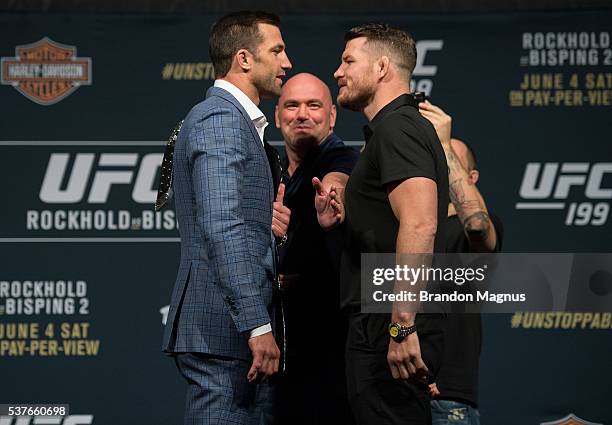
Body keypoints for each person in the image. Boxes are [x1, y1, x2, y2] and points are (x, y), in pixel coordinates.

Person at [161, 11, 292, 425]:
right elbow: (223, 226)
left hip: (231, 334)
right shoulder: (220, 120)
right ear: (244, 59)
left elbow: (232, 220)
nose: (287, 62)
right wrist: (257, 325)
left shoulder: (234, 122)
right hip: (225, 332)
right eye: (277, 50)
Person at [319, 23, 449, 424]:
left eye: (348, 61)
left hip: (387, 321)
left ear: (381, 67)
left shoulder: (398, 128)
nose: (338, 72)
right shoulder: (391, 131)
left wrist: (402, 328)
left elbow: (421, 223)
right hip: (384, 317)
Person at [273, 72, 358, 424]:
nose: (302, 114)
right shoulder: (272, 170)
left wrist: (333, 198)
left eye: (314, 105)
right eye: (292, 105)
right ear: (277, 116)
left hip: (332, 348)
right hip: (284, 346)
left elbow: (339, 180)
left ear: (332, 116)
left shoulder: (343, 158)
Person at [419, 102, 503, 425]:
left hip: (447, 399)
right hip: (399, 392)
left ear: (471, 176)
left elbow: (477, 226)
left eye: (449, 162)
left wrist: (443, 143)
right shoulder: (409, 229)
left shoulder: (476, 231)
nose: (441, 167)